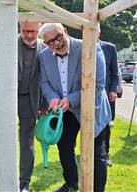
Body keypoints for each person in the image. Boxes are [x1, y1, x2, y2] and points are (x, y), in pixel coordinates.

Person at [38, 23, 111, 192]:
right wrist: (53, 98)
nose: (56, 44)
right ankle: (71, 184)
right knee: (64, 149)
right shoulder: (44, 56)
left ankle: (97, 189)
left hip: (92, 109)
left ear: (65, 31)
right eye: (49, 42)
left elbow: (98, 85)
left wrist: (71, 99)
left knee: (96, 154)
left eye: (58, 37)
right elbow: (45, 82)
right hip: (65, 113)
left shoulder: (90, 47)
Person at [17, 22, 45, 192]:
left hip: (30, 100)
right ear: (20, 27)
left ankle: (24, 182)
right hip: (8, 100)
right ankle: (2, 173)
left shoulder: (44, 47)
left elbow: (47, 78)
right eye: (25, 31)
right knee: (4, 139)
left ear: (38, 30)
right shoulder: (8, 43)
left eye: (33, 31)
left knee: (27, 142)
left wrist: (44, 105)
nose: (29, 35)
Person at [97, 24, 120, 167]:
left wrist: (113, 90)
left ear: (98, 33)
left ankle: (106, 155)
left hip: (107, 95)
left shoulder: (110, 48)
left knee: (106, 126)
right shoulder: (79, 47)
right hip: (87, 96)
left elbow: (115, 72)